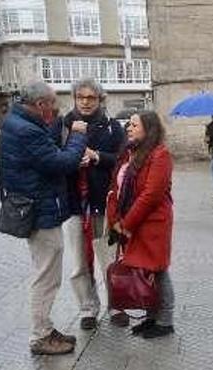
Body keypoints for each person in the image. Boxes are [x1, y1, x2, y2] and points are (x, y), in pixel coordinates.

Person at [0, 81, 88, 355]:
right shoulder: (26, 131)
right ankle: (40, 336)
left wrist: (57, 124)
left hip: (32, 205)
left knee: (45, 270)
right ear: (39, 105)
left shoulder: (16, 121)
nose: (55, 109)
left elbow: (43, 146)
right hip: (39, 210)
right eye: (52, 105)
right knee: (46, 276)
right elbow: (61, 162)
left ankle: (46, 329)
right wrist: (77, 136)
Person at [56, 78, 128, 331]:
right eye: (81, 97)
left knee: (110, 259)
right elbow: (52, 162)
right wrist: (71, 162)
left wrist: (97, 157)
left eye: (91, 98)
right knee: (79, 262)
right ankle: (88, 308)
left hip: (105, 202)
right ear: (74, 98)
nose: (85, 102)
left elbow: (123, 160)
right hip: (74, 204)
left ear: (100, 99)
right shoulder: (62, 127)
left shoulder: (111, 127)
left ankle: (117, 305)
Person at [106, 111, 176, 339]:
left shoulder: (160, 155)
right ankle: (151, 317)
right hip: (131, 222)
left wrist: (126, 224)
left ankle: (165, 321)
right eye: (129, 124)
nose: (129, 128)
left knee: (158, 269)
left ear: (149, 128)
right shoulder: (130, 153)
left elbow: (151, 195)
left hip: (152, 222)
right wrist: (115, 220)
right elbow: (116, 187)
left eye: (134, 125)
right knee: (143, 269)